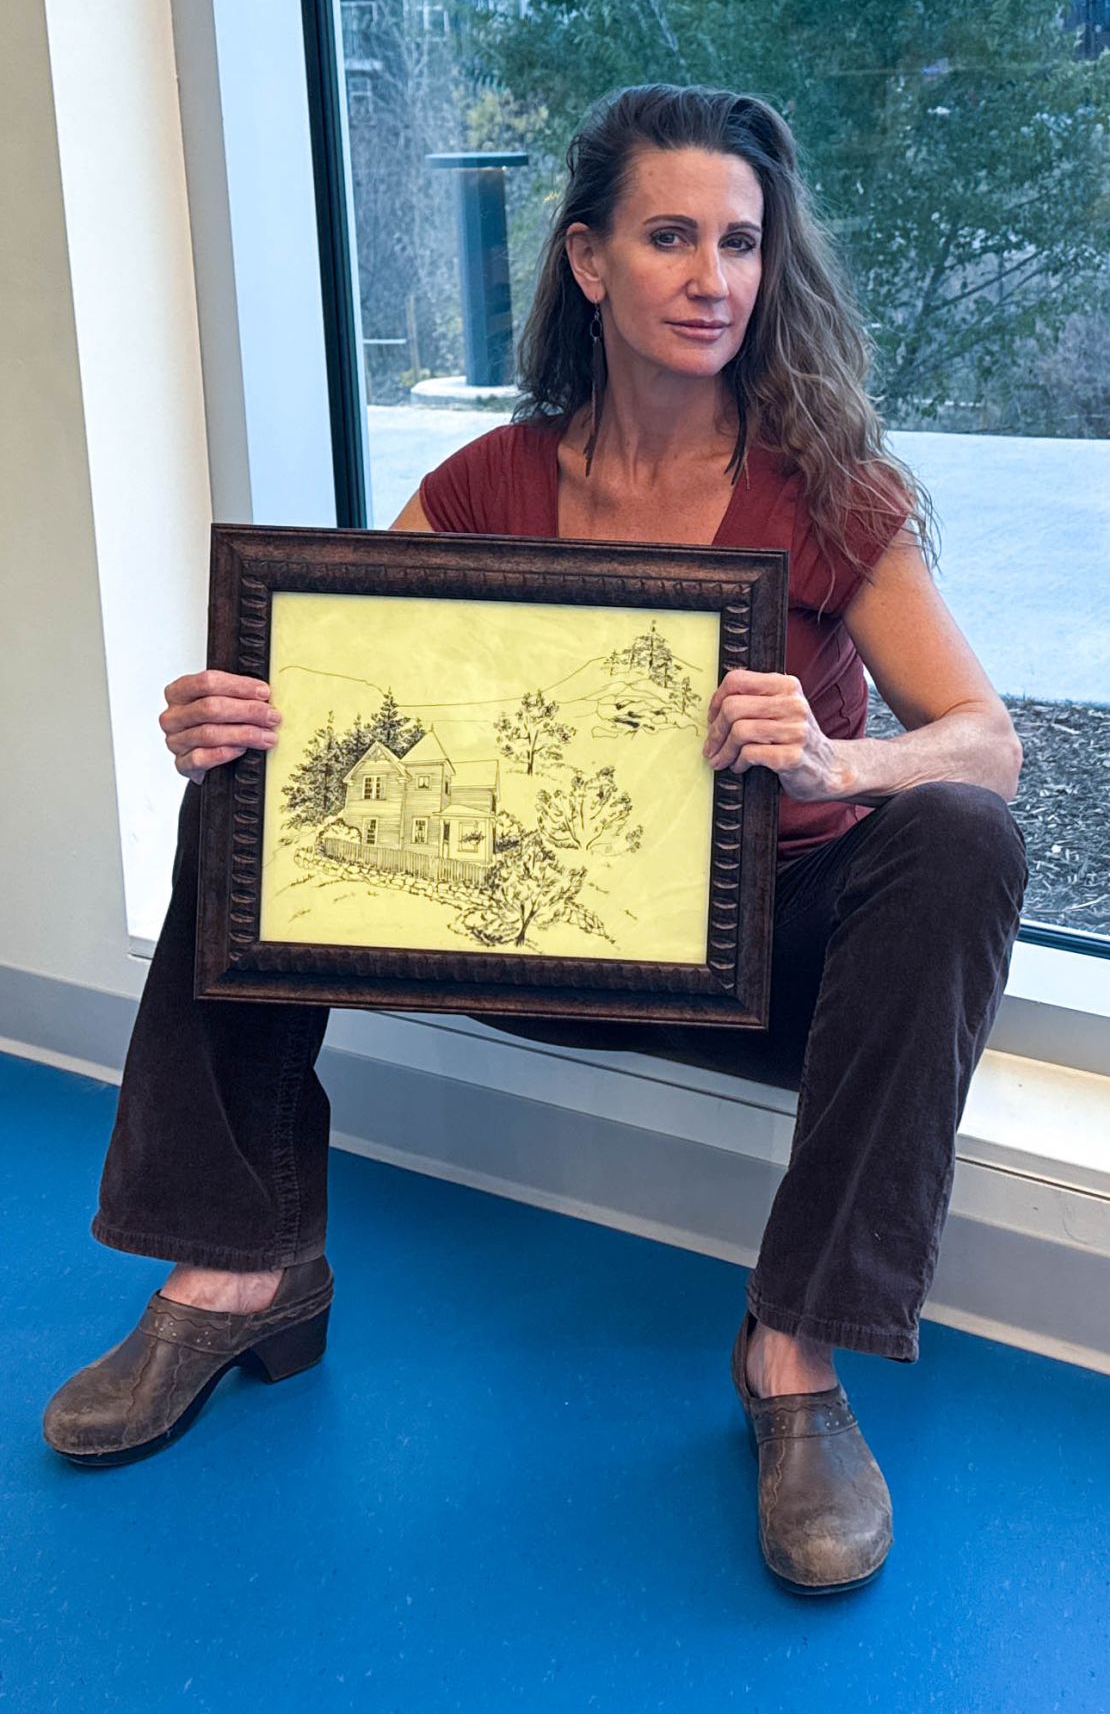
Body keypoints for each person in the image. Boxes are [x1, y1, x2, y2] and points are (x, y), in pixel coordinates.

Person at [42, 85, 1027, 1597]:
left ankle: (792, 1352)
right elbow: (346, 687)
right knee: (241, 789)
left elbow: (989, 738)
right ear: (586, 261)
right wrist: (241, 714)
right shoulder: (486, 485)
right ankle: (242, 1261)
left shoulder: (825, 486)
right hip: (525, 927)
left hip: (760, 958)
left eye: (741, 243)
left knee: (958, 831)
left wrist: (847, 754)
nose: (713, 278)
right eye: (669, 237)